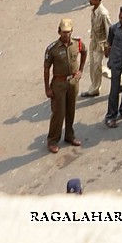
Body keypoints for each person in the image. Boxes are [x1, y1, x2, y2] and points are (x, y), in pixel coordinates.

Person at [44, 16, 86, 153]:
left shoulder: (77, 43)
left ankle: (69, 135)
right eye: (63, 32)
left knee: (71, 110)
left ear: (72, 31)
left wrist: (80, 70)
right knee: (58, 113)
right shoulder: (52, 49)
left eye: (68, 32)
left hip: (73, 82)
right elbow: (46, 69)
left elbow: (84, 52)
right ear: (58, 31)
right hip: (59, 83)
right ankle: (53, 140)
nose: (66, 34)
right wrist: (47, 88)